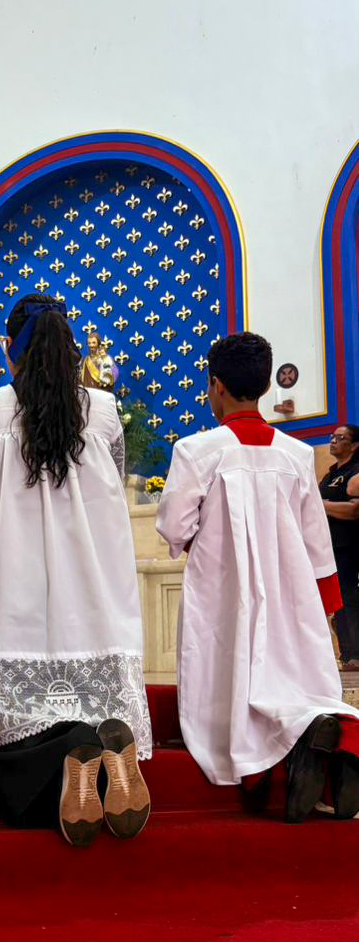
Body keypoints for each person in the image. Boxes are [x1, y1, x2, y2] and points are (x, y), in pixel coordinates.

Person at [0, 294, 152, 846]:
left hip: (9, 581)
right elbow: (116, 470)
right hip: (85, 579)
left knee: (2, 715)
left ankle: (69, 752)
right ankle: (100, 746)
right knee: (88, 690)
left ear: (10, 348)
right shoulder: (102, 410)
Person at [156, 332, 359, 821]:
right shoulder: (296, 454)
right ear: (267, 386)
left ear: (216, 385)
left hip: (223, 593)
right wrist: (327, 605)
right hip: (290, 593)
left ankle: (256, 768)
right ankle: (322, 736)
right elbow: (317, 541)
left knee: (231, 682)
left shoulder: (196, 451)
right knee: (291, 678)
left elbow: (174, 527)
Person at [319, 425, 359, 670]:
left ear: (354, 446)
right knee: (338, 601)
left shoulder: (355, 472)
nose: (333, 441)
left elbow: (354, 510)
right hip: (331, 547)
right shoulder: (331, 474)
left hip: (351, 546)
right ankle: (346, 655)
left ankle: (356, 655)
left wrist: (321, 504)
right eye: (332, 437)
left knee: (351, 598)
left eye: (340, 438)